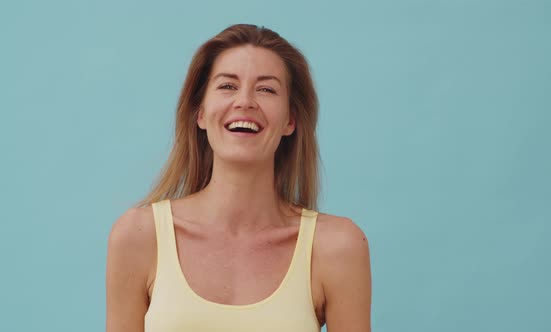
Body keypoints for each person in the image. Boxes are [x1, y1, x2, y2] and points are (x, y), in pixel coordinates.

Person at [106, 23, 371, 332]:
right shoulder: (137, 237)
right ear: (201, 113)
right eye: (227, 86)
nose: (245, 101)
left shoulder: (337, 247)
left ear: (290, 120)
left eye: (266, 89)